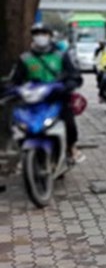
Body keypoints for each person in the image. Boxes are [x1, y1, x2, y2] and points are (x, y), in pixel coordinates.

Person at [9, 23, 85, 163]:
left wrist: (68, 85)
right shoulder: (25, 58)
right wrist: (13, 90)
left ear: (50, 36)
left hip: (57, 98)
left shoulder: (61, 55)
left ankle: (71, 148)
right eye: (37, 34)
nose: (40, 37)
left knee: (69, 122)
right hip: (33, 101)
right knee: (18, 122)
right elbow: (15, 80)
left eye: (43, 33)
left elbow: (74, 75)